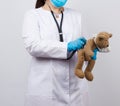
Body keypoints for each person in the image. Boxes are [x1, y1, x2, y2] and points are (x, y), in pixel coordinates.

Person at [22, 0, 97, 106]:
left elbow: (85, 45)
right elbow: (32, 45)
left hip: (76, 89)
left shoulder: (77, 16)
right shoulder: (33, 15)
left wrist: (91, 51)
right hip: (46, 88)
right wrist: (67, 46)